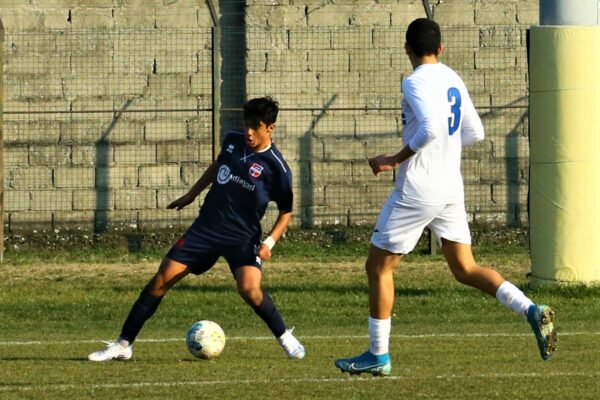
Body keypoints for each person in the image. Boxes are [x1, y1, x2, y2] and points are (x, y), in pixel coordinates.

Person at [334, 18, 556, 376]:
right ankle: (530, 308)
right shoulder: (453, 77)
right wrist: (444, 148)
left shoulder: (413, 81)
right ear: (440, 48)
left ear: (407, 48)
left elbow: (431, 129)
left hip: (418, 189)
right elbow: (476, 132)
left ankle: (378, 355)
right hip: (450, 188)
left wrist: (394, 159)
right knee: (464, 268)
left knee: (378, 267)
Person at [88, 97, 305, 361]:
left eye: (255, 126)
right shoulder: (233, 140)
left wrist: (269, 243)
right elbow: (218, 166)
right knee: (162, 279)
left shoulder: (277, 168)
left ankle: (285, 337)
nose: (248, 131)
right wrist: (191, 194)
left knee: (250, 290)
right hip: (207, 228)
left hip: (242, 237)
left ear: (270, 127)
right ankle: (123, 344)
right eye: (246, 124)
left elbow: (286, 212)